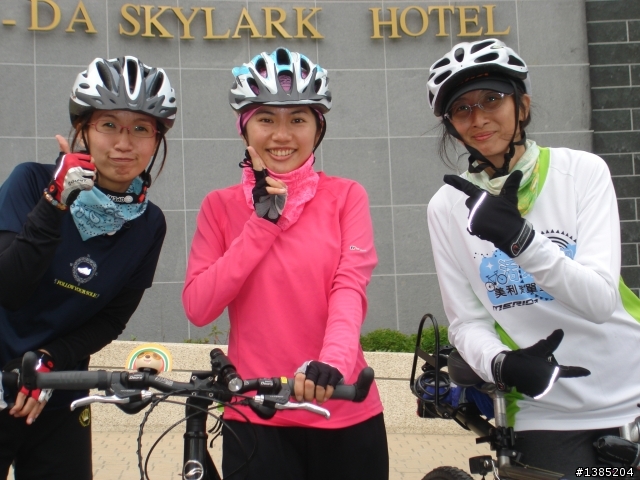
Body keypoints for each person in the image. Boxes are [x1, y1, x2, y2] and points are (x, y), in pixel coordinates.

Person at [426, 38, 640, 473]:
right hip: (543, 408)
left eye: (492, 99)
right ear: (451, 126)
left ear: (521, 106)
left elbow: (600, 302)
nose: (479, 118)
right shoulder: (445, 208)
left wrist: (520, 240)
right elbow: (467, 321)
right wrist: (500, 363)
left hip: (630, 391)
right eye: (462, 109)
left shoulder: (581, 172)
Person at [182, 47, 389, 480]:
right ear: (244, 128)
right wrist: (261, 225)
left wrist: (331, 365)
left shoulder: (346, 196)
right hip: (255, 415)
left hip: (341, 402)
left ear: (318, 128)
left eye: (297, 119)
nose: (282, 135)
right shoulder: (218, 206)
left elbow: (349, 288)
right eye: (265, 119)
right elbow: (199, 307)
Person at [0, 56, 176, 480]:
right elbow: (9, 288)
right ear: (83, 129)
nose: (124, 143)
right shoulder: (31, 182)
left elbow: (112, 319)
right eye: (109, 125)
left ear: (156, 139)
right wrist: (53, 203)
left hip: (59, 389)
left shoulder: (149, 224)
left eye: (141, 128)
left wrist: (50, 361)